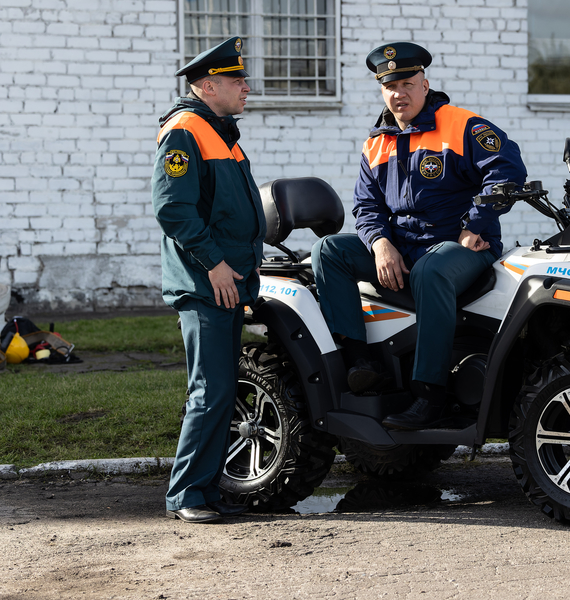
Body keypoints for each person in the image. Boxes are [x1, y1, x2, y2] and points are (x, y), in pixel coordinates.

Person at [311, 42, 526, 431]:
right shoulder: (376, 143)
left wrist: (474, 224)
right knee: (328, 251)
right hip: (401, 247)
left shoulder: (462, 124)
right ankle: (364, 364)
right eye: (390, 87)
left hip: (461, 246)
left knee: (430, 270)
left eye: (408, 83)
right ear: (382, 91)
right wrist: (380, 243)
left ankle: (430, 394)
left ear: (425, 84)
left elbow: (507, 171)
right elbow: (365, 206)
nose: (399, 94)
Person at [151, 37, 265, 523]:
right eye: (236, 80)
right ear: (206, 85)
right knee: (211, 388)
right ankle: (187, 495)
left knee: (221, 386)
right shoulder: (185, 130)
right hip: (205, 282)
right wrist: (215, 264)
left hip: (226, 281)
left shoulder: (219, 131)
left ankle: (207, 489)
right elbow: (173, 210)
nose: (245, 87)